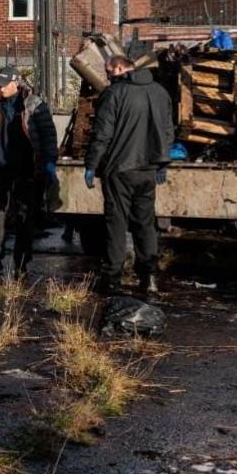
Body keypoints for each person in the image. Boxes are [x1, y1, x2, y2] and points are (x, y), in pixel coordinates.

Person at [85, 55, 175, 295]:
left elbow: (102, 134)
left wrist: (91, 164)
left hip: (120, 169)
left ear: (119, 67)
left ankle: (112, 279)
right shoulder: (160, 92)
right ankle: (149, 277)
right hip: (149, 170)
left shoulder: (115, 94)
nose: (107, 75)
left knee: (116, 223)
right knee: (145, 224)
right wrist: (162, 163)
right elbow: (167, 131)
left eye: (108, 71)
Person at [0, 66, 58, 279]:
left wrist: (50, 161)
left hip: (26, 171)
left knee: (25, 219)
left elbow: (48, 135)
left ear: (15, 83)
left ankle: (21, 265)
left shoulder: (34, 106)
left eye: (3, 84)